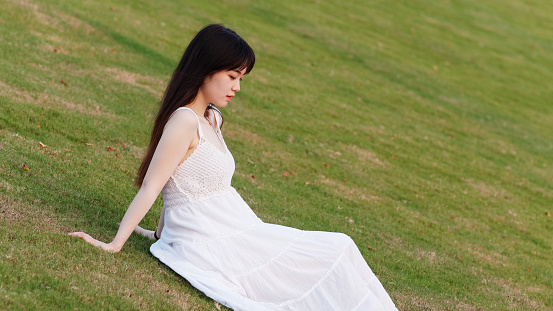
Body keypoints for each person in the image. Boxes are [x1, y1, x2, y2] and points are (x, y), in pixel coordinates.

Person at [70, 24, 397, 311]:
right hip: (215, 238)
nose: (237, 87)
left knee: (340, 248)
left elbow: (184, 178)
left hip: (239, 225)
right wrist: (114, 244)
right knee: (336, 249)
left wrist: (159, 233)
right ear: (205, 70)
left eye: (239, 78)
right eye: (232, 76)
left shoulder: (212, 118)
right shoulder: (184, 121)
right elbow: (154, 186)